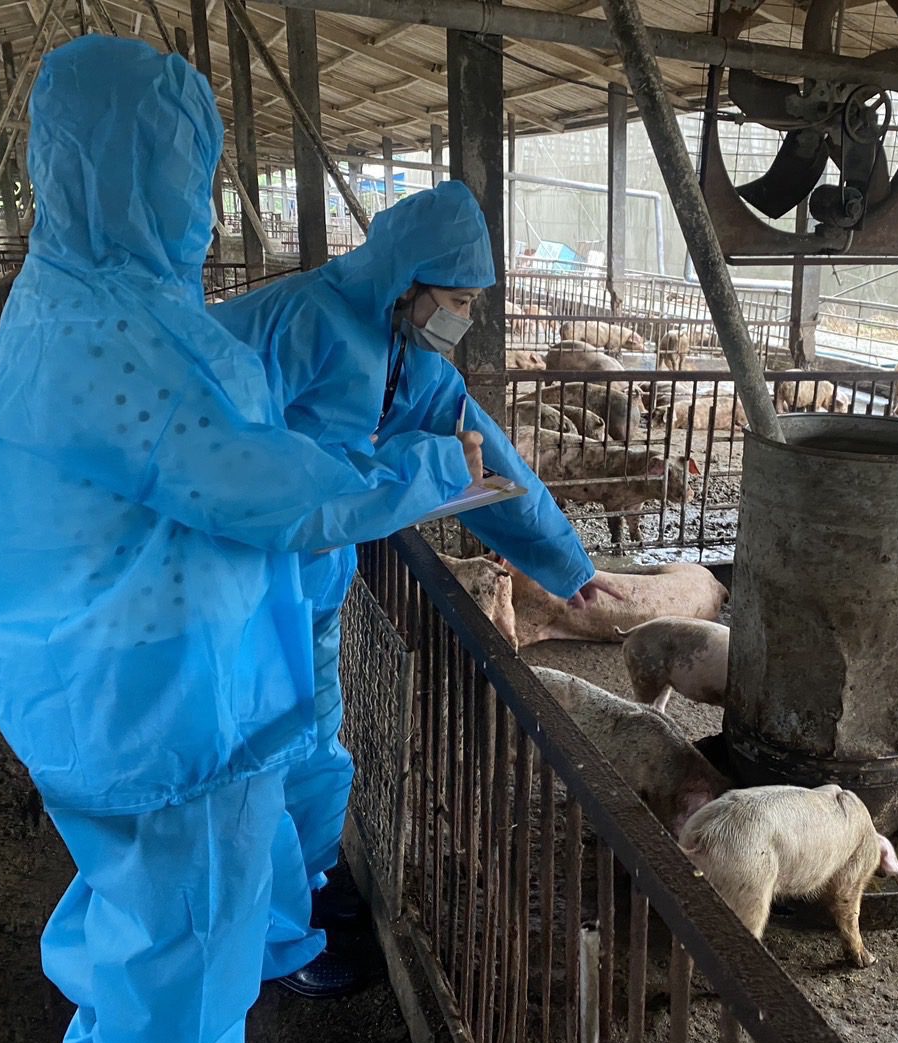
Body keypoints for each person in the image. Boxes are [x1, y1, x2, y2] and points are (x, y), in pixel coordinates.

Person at [0, 37, 589, 1043]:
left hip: (172, 657)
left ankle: (261, 948)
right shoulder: (134, 336)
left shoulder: (89, 307)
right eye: (187, 175)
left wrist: (560, 562)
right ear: (133, 173)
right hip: (159, 697)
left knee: (162, 920)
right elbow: (269, 485)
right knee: (180, 974)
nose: (199, 205)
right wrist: (413, 479)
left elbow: (479, 450)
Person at [210, 182, 607, 994]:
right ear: (406, 278)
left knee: (313, 727)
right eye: (456, 299)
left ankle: (312, 883)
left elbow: (487, 459)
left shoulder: (413, 358)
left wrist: (567, 567)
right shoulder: (298, 322)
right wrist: (389, 480)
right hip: (238, 570)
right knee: (251, 739)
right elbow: (241, 465)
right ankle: (271, 935)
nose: (460, 319)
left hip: (315, 572)